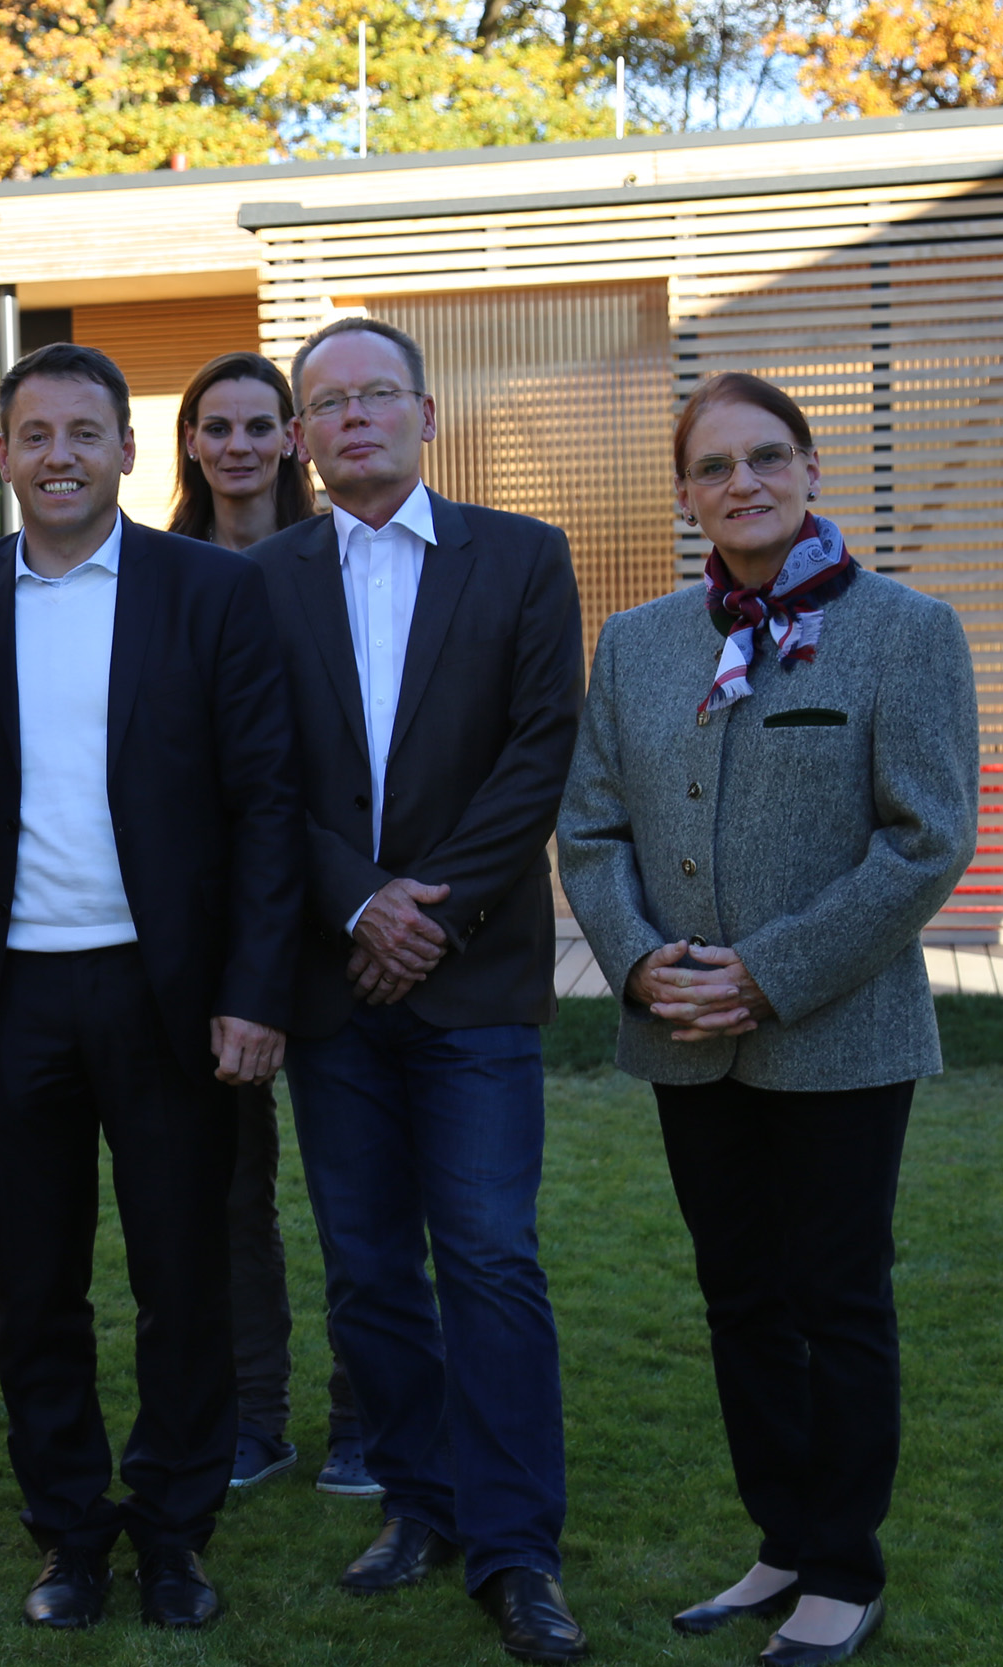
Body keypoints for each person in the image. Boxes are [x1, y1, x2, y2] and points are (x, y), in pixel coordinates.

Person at [558, 372, 976, 1667]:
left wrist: (769, 970)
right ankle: (785, 1540)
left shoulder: (907, 629)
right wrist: (637, 962)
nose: (742, 481)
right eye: (714, 465)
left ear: (808, 468)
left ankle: (845, 1568)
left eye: (765, 457)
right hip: (684, 1029)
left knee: (838, 1297)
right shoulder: (635, 641)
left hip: (838, 1034)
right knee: (739, 1298)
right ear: (686, 492)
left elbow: (927, 841)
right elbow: (590, 828)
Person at [0, 342, 300, 1632]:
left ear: (130, 451)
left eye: (86, 432)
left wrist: (254, 990)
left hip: (168, 994)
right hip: (7, 996)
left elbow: (265, 804)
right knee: (34, 1285)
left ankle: (176, 1527)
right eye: (34, 434)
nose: (60, 456)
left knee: (181, 1277)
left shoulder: (206, 594)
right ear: (2, 455)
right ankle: (69, 1531)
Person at [247, 316, 588, 1665]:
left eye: (375, 396)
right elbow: (260, 772)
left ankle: (516, 1545)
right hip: (340, 987)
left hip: (477, 975)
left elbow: (538, 749)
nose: (352, 420)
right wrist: (358, 902)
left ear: (426, 414)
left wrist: (426, 908)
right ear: (301, 437)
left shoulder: (522, 557)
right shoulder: (260, 581)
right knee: (373, 1266)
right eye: (324, 405)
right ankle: (420, 1498)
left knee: (492, 1256)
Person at [167, 351, 373, 1500]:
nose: (238, 445)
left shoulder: (337, 560)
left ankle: (360, 1413)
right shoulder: (162, 571)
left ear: (290, 439)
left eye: (259, 425)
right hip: (214, 925)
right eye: (217, 425)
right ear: (190, 442)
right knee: (225, 1189)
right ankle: (252, 1412)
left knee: (353, 1187)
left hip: (332, 913)